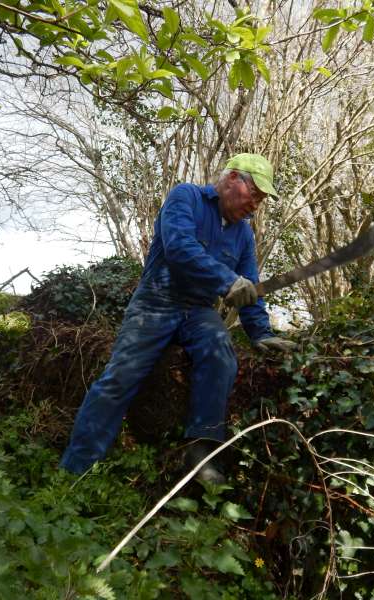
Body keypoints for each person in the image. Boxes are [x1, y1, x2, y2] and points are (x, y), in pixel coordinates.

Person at [59, 153, 296, 483]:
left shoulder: (243, 234)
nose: (256, 205)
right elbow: (180, 248)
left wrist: (260, 332)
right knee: (120, 377)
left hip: (199, 311)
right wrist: (227, 281)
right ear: (232, 179)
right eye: (254, 194)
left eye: (261, 200)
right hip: (156, 301)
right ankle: (75, 469)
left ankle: (201, 452)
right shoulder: (186, 197)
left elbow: (250, 284)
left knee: (220, 354)